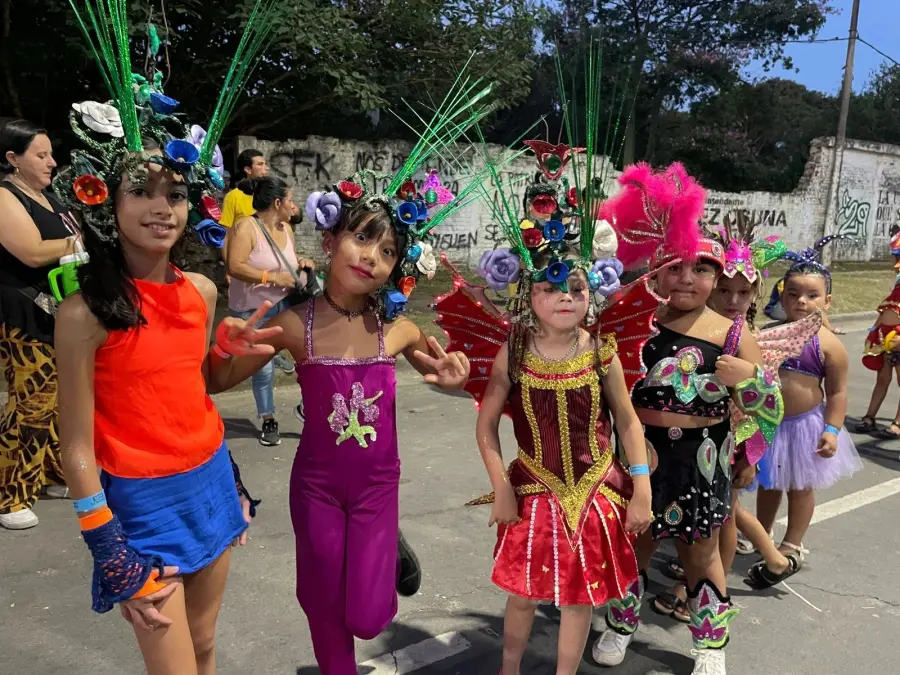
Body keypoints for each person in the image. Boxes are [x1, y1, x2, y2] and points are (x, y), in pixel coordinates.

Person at [206, 71, 494, 673]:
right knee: (321, 602)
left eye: (388, 251)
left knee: (367, 618)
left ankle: (386, 553)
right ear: (332, 238)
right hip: (315, 486)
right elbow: (216, 383)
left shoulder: (398, 330)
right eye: (363, 239)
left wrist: (455, 378)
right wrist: (224, 346)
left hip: (376, 488)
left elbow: (445, 375)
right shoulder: (294, 324)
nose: (372, 257)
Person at [51, 3, 275, 672]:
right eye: (141, 191)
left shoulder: (200, 292)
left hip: (211, 480)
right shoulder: (84, 313)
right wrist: (108, 546)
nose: (161, 208)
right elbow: (75, 445)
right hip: (141, 505)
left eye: (175, 194)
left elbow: (197, 385)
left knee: (204, 646)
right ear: (106, 201)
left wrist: (231, 355)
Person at [459, 137, 651, 673]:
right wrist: (500, 486)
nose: (566, 296)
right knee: (523, 594)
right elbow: (486, 426)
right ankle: (509, 669)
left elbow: (628, 423)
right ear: (528, 294)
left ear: (594, 293)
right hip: (532, 490)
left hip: (597, 491)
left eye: (578, 287)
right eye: (551, 286)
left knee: (579, 598)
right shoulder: (513, 349)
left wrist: (641, 488)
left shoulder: (604, 351)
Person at [591, 163, 773, 675]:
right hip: (639, 454)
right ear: (654, 271)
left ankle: (710, 644)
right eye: (675, 267)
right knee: (633, 544)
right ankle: (620, 626)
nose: (687, 278)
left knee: (700, 552)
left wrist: (750, 383)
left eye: (701, 269)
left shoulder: (732, 333)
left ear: (716, 277)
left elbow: (769, 406)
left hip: (703, 459)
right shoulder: (632, 320)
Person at [753, 237, 863, 575]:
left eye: (812, 295)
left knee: (800, 488)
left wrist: (832, 429)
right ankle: (761, 533)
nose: (801, 301)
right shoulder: (767, 334)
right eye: (793, 293)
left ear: (827, 300)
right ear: (781, 295)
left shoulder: (828, 344)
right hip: (768, 423)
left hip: (804, 427)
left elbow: (838, 392)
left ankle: (792, 542)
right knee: (769, 482)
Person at [0, 118, 81, 530]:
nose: (51, 162)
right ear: (13, 158)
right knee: (30, 404)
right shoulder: (5, 196)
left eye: (51, 154)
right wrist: (80, 243)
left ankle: (49, 474)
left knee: (57, 400)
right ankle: (10, 493)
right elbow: (31, 251)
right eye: (41, 155)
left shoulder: (49, 196)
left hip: (57, 310)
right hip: (23, 314)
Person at [226, 176, 314, 446]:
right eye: (290, 200)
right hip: (253, 310)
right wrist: (272, 277)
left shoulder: (286, 228)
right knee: (263, 370)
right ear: (277, 203)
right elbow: (235, 266)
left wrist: (301, 263)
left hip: (285, 304)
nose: (293, 205)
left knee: (309, 357)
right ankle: (268, 419)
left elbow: (288, 261)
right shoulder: (246, 227)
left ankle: (308, 408)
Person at [857, 227, 900, 437]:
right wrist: (874, 331)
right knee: (882, 379)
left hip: (898, 339)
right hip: (885, 338)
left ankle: (898, 423)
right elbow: (886, 310)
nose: (896, 263)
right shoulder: (898, 283)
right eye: (896, 257)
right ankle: (870, 417)